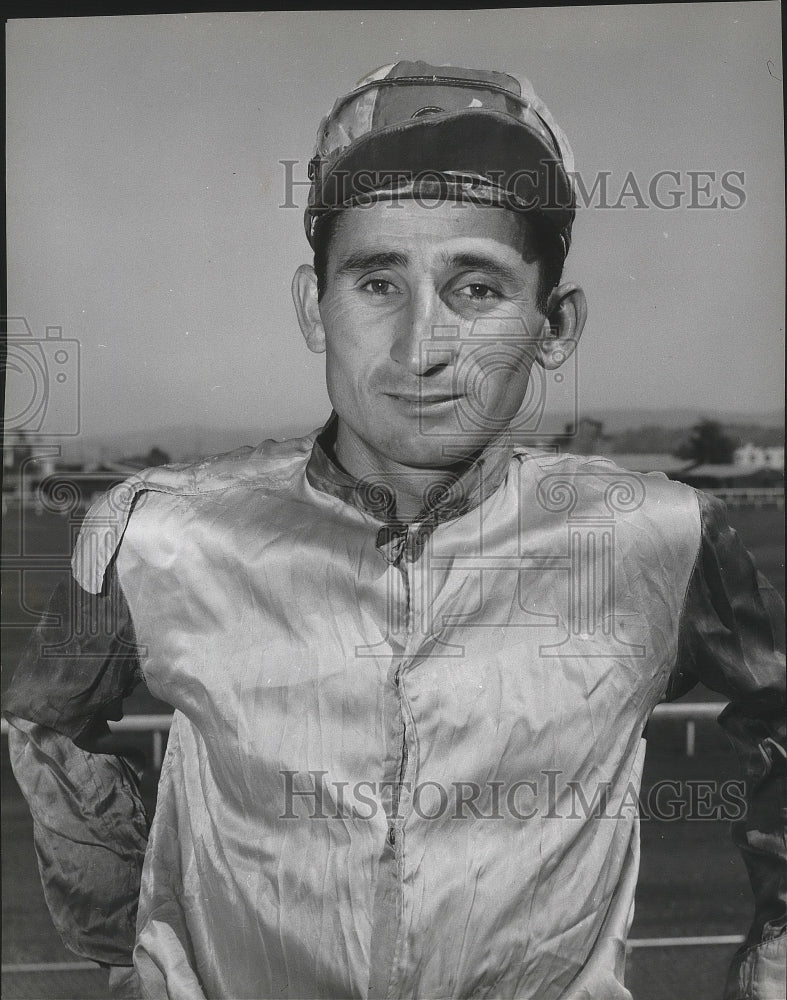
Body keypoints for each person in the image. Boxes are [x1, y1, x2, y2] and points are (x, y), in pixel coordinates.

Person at [4, 60, 785, 1000]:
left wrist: (771, 960)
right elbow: (46, 723)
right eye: (377, 282)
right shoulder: (158, 533)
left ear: (554, 325)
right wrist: (132, 941)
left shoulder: (660, 536)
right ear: (312, 306)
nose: (421, 350)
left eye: (477, 288)